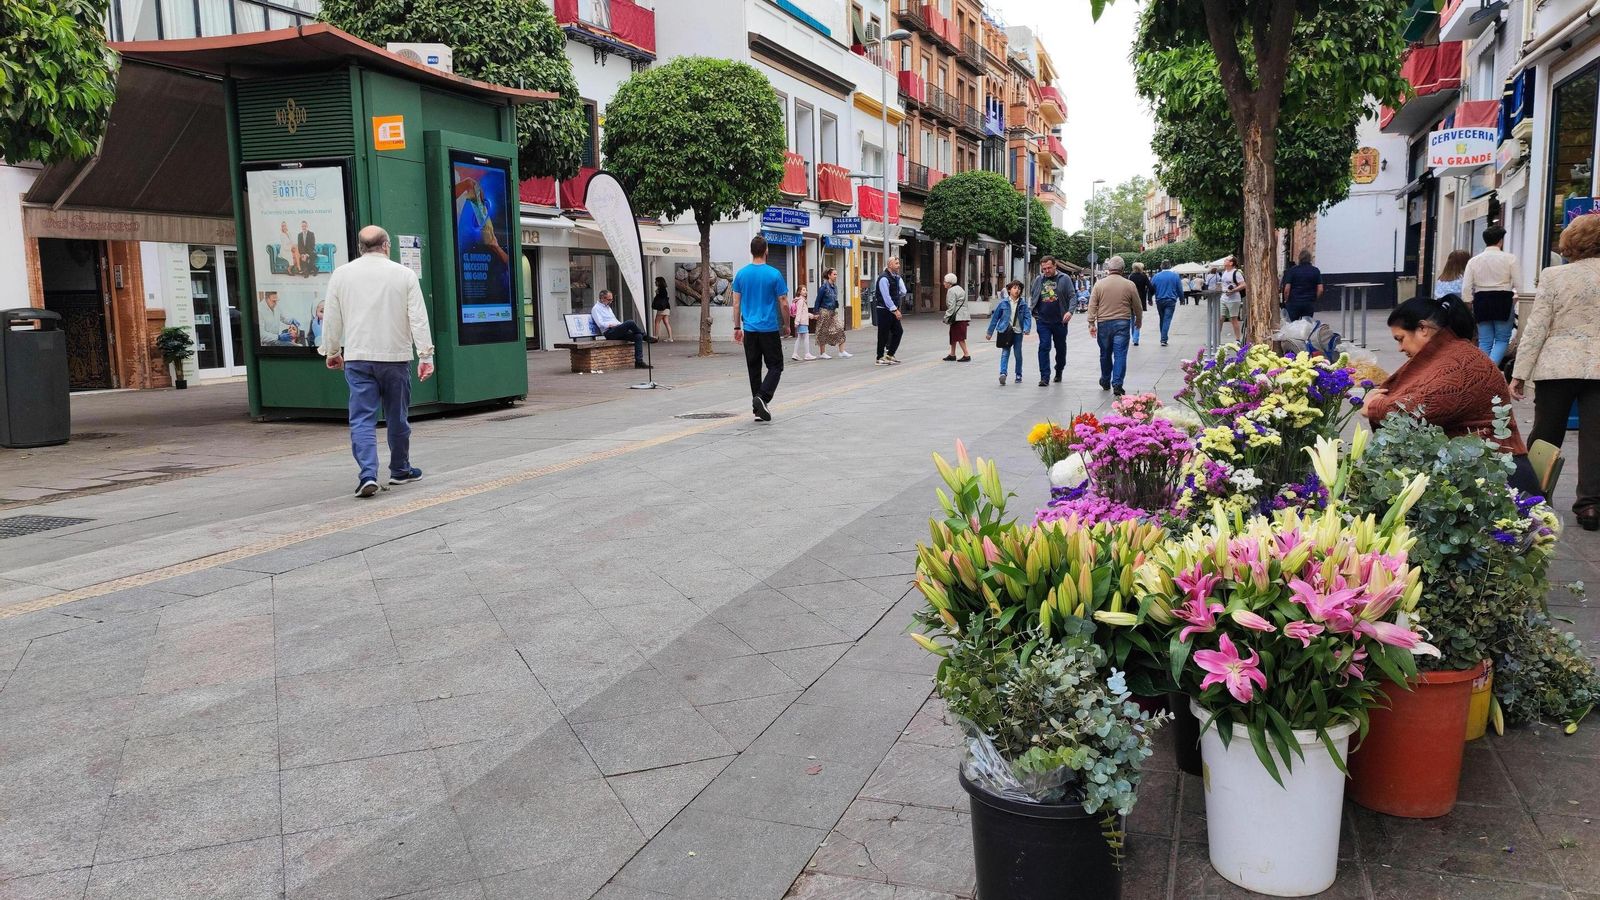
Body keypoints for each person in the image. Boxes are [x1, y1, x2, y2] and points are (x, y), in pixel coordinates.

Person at [1363, 294, 1539, 495]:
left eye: (1400, 339)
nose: (1400, 348)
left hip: (1499, 479)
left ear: (1423, 329)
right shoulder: (1449, 354)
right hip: (1478, 468)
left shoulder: (1462, 364)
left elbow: (1421, 409)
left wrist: (1374, 406)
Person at [318, 225, 435, 498]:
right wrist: (425, 355)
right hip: (395, 357)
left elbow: (332, 318)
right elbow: (418, 317)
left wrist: (332, 351)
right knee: (397, 416)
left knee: (361, 419)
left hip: (358, 358)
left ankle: (368, 475)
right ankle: (400, 470)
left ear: (360, 247)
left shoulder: (341, 275)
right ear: (386, 246)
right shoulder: (404, 275)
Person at [1510, 213, 1600, 530]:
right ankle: (1590, 506)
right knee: (1596, 438)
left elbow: (1536, 328)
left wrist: (1519, 372)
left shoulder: (1554, 276)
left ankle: (1534, 494)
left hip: (1557, 365)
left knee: (1546, 434)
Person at [731, 234, 789, 422]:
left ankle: (758, 410)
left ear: (751, 251)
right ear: (766, 251)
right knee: (776, 366)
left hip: (750, 329)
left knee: (754, 368)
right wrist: (787, 324)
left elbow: (736, 303)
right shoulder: (774, 274)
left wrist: (737, 327)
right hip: (769, 329)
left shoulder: (741, 274)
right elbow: (784, 302)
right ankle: (762, 398)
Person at [1462, 225, 1520, 364]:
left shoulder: (1474, 261)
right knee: (1502, 339)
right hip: (1503, 300)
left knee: (1485, 340)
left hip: (1481, 300)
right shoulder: (1510, 259)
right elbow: (1519, 285)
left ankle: (1481, 370)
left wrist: (1469, 302)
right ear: (1500, 241)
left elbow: (1466, 287)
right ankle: (1490, 371)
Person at [1087, 255, 1142, 397]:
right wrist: (1138, 321)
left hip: (1104, 323)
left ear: (1109, 269)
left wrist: (1091, 322)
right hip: (1123, 323)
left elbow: (1092, 304)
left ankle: (1105, 380)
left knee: (1105, 353)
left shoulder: (1099, 284)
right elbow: (1137, 305)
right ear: (1123, 269)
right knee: (1120, 354)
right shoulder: (1129, 285)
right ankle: (1117, 384)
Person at [1029, 255, 1074, 386]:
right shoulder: (1039, 279)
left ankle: (1059, 369)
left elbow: (1072, 296)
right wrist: (1034, 310)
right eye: (1044, 269)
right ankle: (1044, 377)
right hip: (1043, 320)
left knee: (1060, 348)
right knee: (1044, 346)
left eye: (1049, 268)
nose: (1047, 271)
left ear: (1055, 266)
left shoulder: (1064, 279)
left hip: (1060, 321)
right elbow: (1034, 294)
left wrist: (1070, 311)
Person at [589, 289, 656, 370]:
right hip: (609, 332)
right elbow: (600, 323)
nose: (611, 301)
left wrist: (621, 325)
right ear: (602, 298)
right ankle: (645, 336)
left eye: (611, 299)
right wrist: (610, 325)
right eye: (609, 299)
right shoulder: (596, 309)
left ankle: (639, 362)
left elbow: (615, 320)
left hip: (616, 329)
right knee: (630, 322)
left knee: (638, 336)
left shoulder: (608, 308)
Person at [985, 279, 1033, 385]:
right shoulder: (1003, 303)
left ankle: (1018, 374)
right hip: (1005, 331)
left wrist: (1026, 328)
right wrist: (990, 332)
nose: (1017, 290)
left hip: (1017, 332)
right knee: (1005, 352)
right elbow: (995, 318)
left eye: (1019, 288)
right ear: (1009, 290)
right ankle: (1003, 374)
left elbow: (1027, 317)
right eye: (1015, 288)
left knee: (1017, 354)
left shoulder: (1023, 304)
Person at [874, 256, 908, 365]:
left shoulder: (896, 277)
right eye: (896, 263)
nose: (898, 265)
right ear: (890, 265)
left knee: (898, 331)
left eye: (898, 263)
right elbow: (886, 297)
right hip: (884, 310)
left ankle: (889, 355)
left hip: (892, 309)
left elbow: (902, 291)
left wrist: (895, 304)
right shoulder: (884, 278)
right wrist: (895, 310)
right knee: (883, 334)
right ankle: (879, 357)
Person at [812, 267, 850, 359]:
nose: (836, 276)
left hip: (833, 311)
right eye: (834, 274)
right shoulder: (823, 287)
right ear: (829, 275)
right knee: (822, 331)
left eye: (836, 274)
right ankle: (822, 353)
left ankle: (842, 351)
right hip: (824, 311)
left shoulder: (835, 287)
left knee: (840, 328)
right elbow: (817, 301)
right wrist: (816, 312)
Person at [1281, 249, 1324, 323]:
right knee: (1306, 326)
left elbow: (1287, 289)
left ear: (1299, 258)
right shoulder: (1316, 271)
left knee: (1292, 325)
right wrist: (1314, 299)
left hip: (1293, 302)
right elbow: (1320, 289)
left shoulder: (1292, 271)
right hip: (1308, 302)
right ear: (1310, 259)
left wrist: (1286, 300)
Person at [1150, 260, 1183, 347]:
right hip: (1170, 300)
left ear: (1161, 266)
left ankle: (1163, 337)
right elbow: (1179, 288)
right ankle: (1163, 339)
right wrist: (1182, 299)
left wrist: (1149, 298)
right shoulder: (1175, 276)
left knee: (1162, 318)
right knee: (1167, 319)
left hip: (1159, 300)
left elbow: (1151, 288)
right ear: (1170, 266)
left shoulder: (1156, 276)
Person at [943, 272, 971, 362]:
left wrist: (946, 317)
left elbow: (951, 306)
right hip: (963, 316)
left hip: (957, 317)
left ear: (949, 283)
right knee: (954, 335)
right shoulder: (960, 289)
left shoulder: (951, 291)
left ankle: (966, 355)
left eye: (945, 281)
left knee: (959, 337)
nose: (943, 283)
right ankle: (952, 354)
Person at [1217, 257, 1245, 342]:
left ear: (1231, 263)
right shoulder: (1224, 272)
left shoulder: (1236, 272)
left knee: (1233, 319)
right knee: (1220, 318)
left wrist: (1233, 290)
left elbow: (1243, 285)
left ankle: (1237, 339)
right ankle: (1216, 338)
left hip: (1233, 299)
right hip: (1223, 298)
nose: (1224, 261)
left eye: (1226, 260)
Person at [1128, 262, 1153, 347]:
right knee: (1138, 318)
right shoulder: (1144, 276)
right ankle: (1136, 338)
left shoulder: (1130, 277)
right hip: (1140, 301)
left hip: (1131, 300)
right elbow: (1151, 288)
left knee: (1131, 319)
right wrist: (1149, 297)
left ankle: (1133, 336)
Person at [790, 285, 815, 361]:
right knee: (806, 337)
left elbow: (803, 312)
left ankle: (795, 354)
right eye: (803, 290)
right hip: (802, 322)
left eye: (806, 290)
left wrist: (810, 315)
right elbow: (799, 312)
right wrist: (797, 322)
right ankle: (807, 354)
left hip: (801, 321)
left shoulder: (801, 300)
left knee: (799, 338)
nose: (805, 291)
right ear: (799, 292)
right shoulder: (801, 301)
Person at [651, 275, 673, 342]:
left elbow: (660, 299)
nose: (655, 282)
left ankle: (656, 336)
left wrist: (657, 293)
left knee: (657, 321)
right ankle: (670, 337)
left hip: (662, 308)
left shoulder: (661, 289)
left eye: (656, 281)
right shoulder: (664, 289)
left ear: (659, 282)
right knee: (666, 322)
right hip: (667, 307)